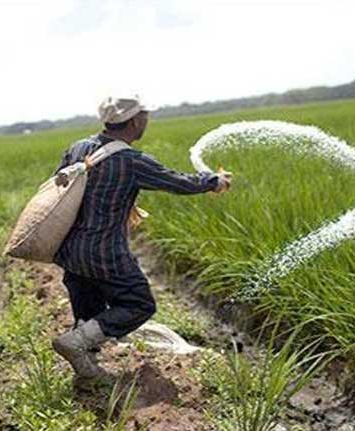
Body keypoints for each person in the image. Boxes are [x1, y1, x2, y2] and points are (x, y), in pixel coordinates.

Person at [51, 95, 232, 381]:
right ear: (135, 121)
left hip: (71, 251)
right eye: (145, 116)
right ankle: (74, 343)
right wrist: (214, 181)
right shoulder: (130, 160)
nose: (147, 120)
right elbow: (177, 182)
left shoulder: (79, 148)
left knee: (89, 310)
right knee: (139, 304)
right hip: (105, 253)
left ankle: (85, 370)